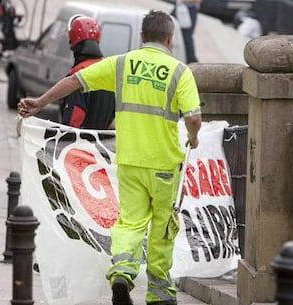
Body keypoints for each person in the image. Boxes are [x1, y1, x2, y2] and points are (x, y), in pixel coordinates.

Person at [17, 9, 202, 305]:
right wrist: (193, 139)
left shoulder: (121, 64)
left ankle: (122, 274)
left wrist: (39, 103)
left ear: (142, 37)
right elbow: (193, 117)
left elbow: (74, 81)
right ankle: (159, 294)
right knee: (162, 228)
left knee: (129, 223)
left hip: (129, 162)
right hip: (165, 165)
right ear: (170, 38)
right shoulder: (180, 72)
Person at [61, 14, 115, 129]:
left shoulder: (77, 76)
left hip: (80, 144)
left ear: (72, 42)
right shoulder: (108, 72)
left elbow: (71, 124)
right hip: (101, 144)